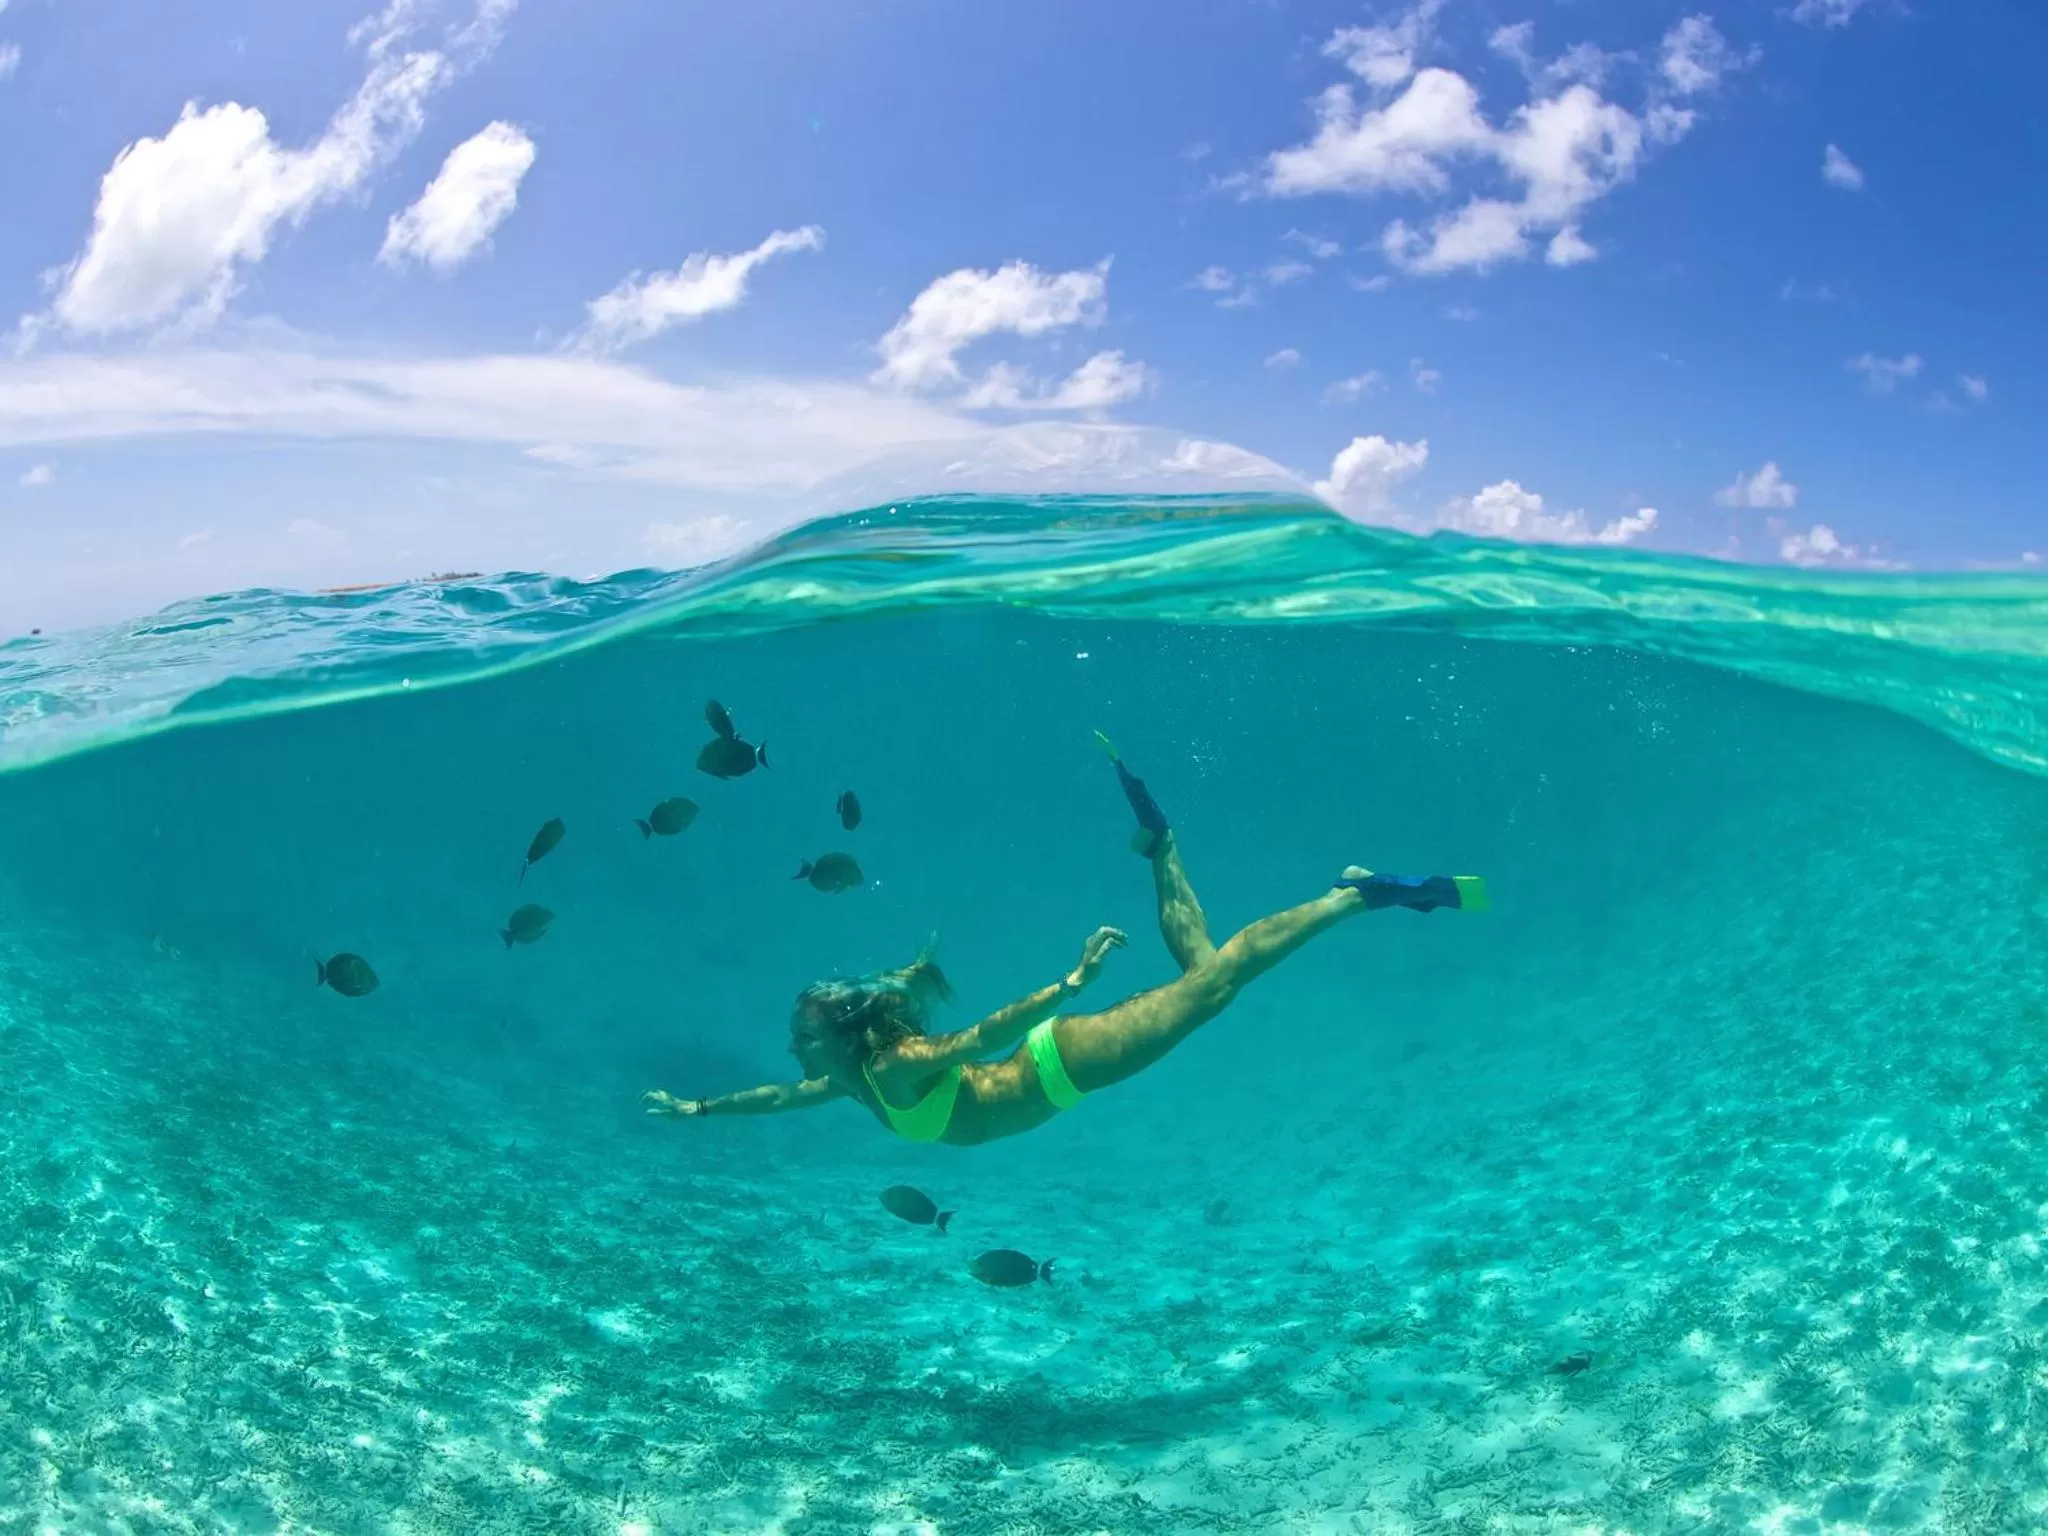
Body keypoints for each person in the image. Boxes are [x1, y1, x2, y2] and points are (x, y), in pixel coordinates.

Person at [644, 738, 1484, 1147]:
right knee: (1202, 972)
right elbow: (779, 1097)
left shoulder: (894, 1069)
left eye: (802, 1036)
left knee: (1219, 982)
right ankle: (1161, 842)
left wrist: (1070, 983)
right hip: (1058, 1061)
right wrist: (702, 1106)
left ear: (844, 1035)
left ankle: (1356, 896)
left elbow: (980, 1037)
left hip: (1067, 1059)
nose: (791, 1049)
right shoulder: (853, 1079)